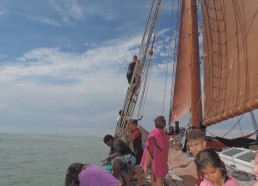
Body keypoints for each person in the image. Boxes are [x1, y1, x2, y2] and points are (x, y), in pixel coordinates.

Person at [140, 115, 169, 186]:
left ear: (155, 124)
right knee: (160, 182)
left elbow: (149, 151)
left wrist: (145, 166)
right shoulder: (165, 136)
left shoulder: (153, 135)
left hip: (155, 166)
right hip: (163, 165)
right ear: (164, 125)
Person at [127, 117, 144, 186]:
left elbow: (131, 138)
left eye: (130, 125)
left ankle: (140, 184)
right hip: (136, 151)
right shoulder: (133, 131)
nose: (129, 126)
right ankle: (140, 181)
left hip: (138, 152)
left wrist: (128, 130)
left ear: (133, 124)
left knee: (137, 169)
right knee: (136, 168)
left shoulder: (137, 131)